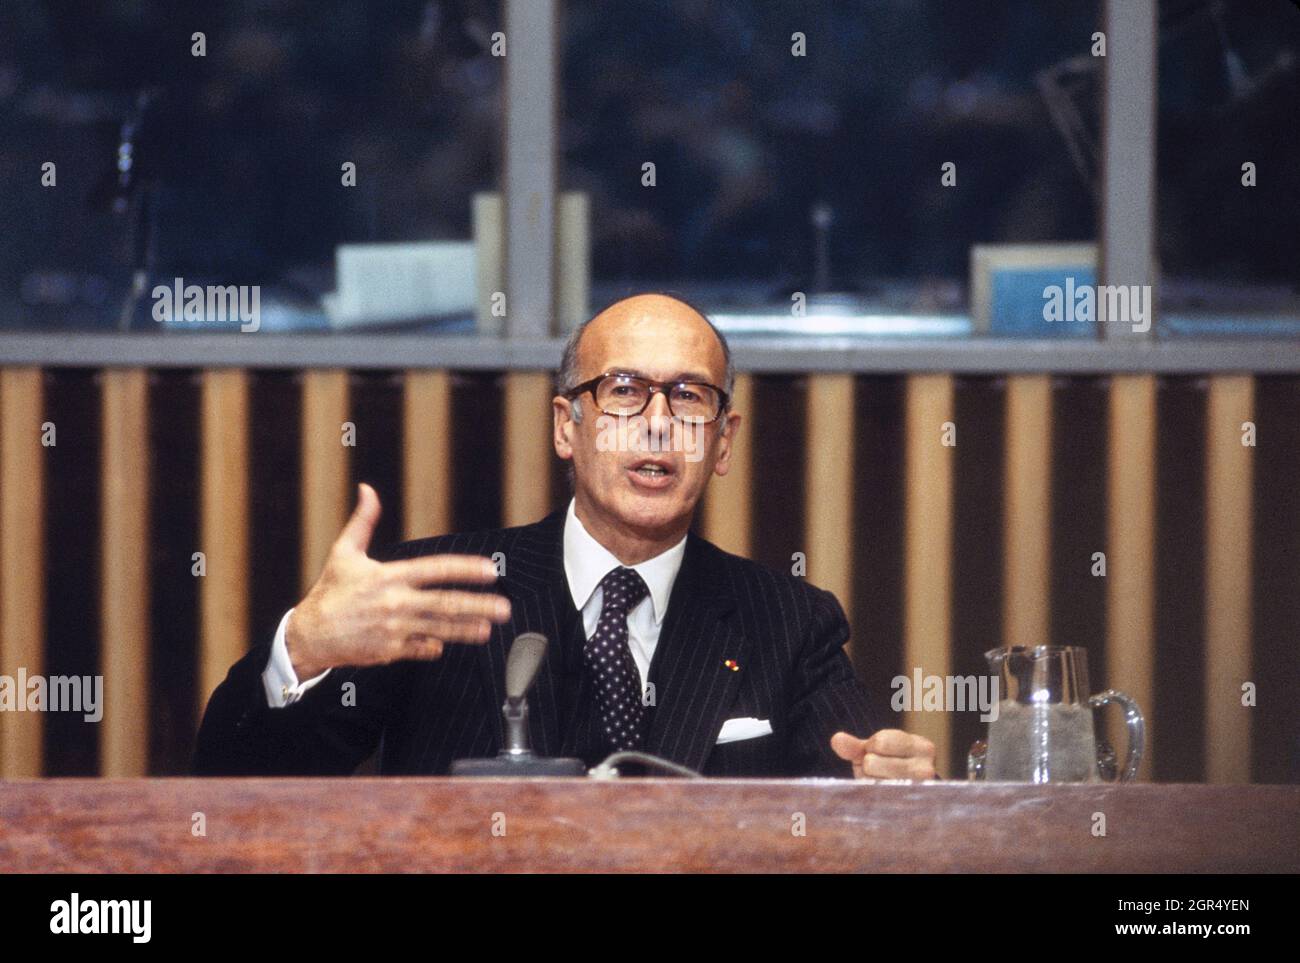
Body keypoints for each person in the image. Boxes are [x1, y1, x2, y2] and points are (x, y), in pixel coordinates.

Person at [193, 293, 937, 779]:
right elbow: (231, 783)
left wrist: (899, 788)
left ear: (723, 441)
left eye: (688, 396)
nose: (656, 421)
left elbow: (859, 793)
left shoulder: (791, 623)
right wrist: (303, 650)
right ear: (564, 426)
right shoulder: (437, 594)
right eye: (621, 391)